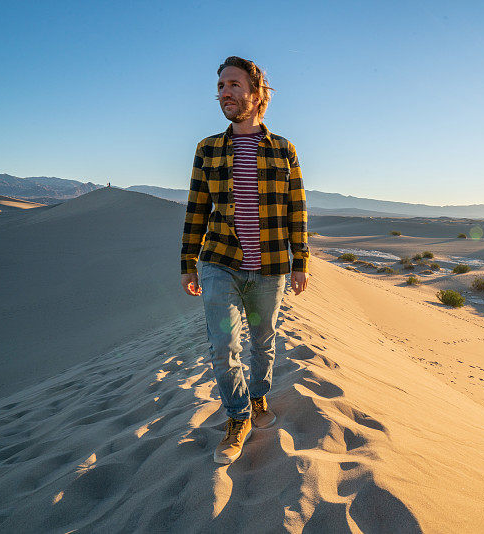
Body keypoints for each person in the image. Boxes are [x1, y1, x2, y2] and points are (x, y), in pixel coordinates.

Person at [180, 56, 309, 464]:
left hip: (270, 266)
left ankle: (258, 398)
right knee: (223, 345)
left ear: (255, 94)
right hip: (219, 261)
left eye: (233, 85)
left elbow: (296, 209)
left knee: (263, 342)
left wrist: (300, 260)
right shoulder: (207, 149)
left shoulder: (284, 150)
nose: (224, 93)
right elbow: (196, 209)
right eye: (220, 86)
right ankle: (237, 417)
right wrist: (188, 263)